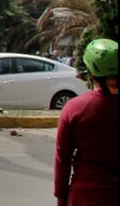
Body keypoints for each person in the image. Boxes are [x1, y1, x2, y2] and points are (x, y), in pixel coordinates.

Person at [55, 38, 118, 206]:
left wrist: (61, 197)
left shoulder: (74, 108)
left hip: (84, 196)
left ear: (89, 73)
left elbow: (63, 158)